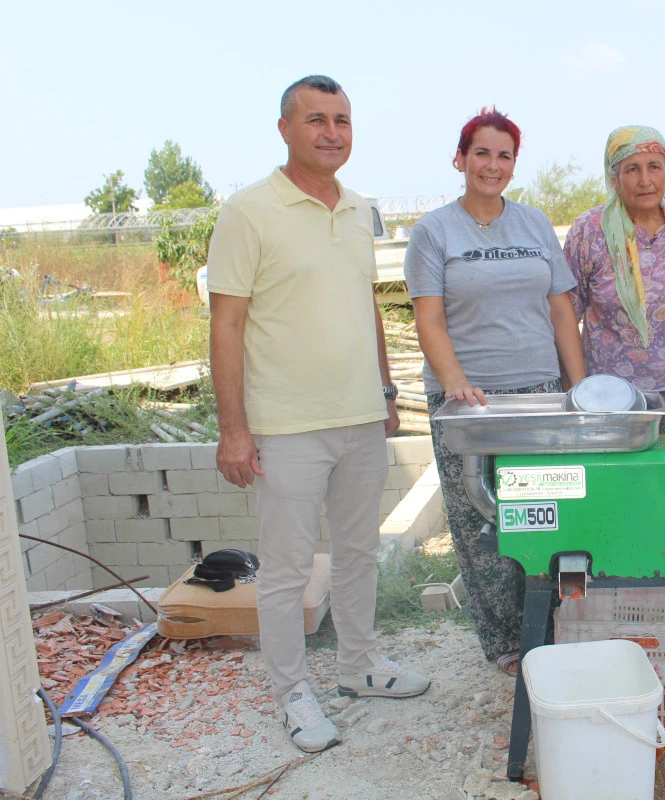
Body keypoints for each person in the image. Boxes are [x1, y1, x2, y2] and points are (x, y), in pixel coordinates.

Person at [207, 75, 430, 753]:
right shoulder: (248, 212)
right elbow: (227, 323)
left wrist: (386, 393)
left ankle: (361, 664)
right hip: (285, 425)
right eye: (315, 120)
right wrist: (234, 429)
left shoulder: (359, 208)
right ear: (284, 129)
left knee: (360, 551)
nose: (331, 132)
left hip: (360, 417)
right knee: (287, 568)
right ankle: (293, 691)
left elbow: (364, 301)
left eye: (341, 119)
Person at [405, 107, 586, 677]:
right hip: (469, 402)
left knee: (547, 510)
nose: (492, 165)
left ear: (513, 165)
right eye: (481, 153)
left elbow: (561, 308)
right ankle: (508, 643)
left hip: (537, 389)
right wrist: (455, 380)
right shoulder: (434, 231)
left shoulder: (534, 225)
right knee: (483, 524)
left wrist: (578, 385)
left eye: (504, 155)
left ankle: (559, 626)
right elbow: (429, 318)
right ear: (460, 160)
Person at [563, 126, 665, 433]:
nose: (645, 180)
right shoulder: (589, 230)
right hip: (612, 397)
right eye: (632, 169)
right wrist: (578, 389)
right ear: (613, 178)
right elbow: (566, 313)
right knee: (622, 481)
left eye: (654, 167)